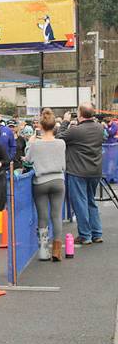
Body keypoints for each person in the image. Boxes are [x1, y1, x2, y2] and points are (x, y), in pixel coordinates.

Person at [58, 102, 105, 244]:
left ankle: (85, 235)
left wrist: (65, 121)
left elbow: (58, 137)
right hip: (95, 171)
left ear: (80, 114)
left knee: (80, 203)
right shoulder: (99, 128)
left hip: (78, 171)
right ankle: (97, 233)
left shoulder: (76, 130)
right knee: (91, 201)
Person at [24, 108, 66, 261]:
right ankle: (56, 250)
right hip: (58, 180)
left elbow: (27, 161)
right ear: (54, 126)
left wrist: (30, 142)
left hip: (40, 182)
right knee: (56, 215)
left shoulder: (35, 145)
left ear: (40, 127)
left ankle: (43, 250)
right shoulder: (61, 143)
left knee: (43, 216)